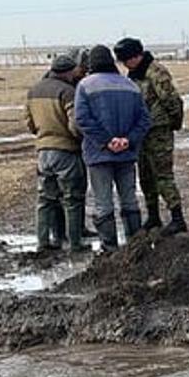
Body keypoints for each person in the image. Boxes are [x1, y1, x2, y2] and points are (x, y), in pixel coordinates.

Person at [74, 45, 153, 249]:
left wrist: (106, 141)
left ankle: (110, 249)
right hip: (126, 154)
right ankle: (136, 246)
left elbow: (82, 119)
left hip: (98, 154)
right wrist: (128, 140)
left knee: (103, 203)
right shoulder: (130, 85)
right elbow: (144, 119)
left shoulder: (85, 85)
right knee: (129, 200)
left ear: (91, 64)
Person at [113, 37, 187, 235]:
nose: (124, 64)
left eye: (126, 59)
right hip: (141, 133)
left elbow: (172, 100)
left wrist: (173, 123)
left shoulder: (156, 72)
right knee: (146, 176)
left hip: (158, 131)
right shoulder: (134, 75)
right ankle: (153, 216)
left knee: (163, 175)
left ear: (136, 56)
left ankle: (177, 218)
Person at [24, 52, 87, 251]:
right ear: (68, 72)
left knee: (45, 199)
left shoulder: (33, 91)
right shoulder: (67, 91)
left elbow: (29, 123)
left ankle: (43, 242)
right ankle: (75, 243)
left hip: (43, 151)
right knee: (72, 199)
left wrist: (42, 134)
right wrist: (79, 139)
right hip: (66, 151)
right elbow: (75, 124)